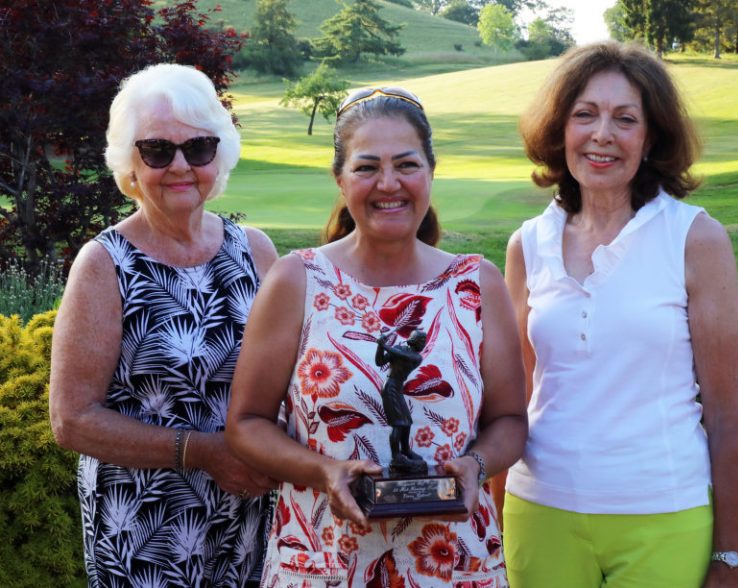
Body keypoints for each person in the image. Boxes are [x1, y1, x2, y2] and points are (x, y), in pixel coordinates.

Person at [225, 87, 528, 586]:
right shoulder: (296, 280)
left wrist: (477, 464)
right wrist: (324, 472)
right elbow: (246, 424)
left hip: (453, 566)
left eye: (406, 165)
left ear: (431, 171)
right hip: (324, 563)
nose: (389, 184)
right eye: (367, 167)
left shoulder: (477, 283)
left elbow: (510, 420)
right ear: (340, 179)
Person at [499, 41, 738, 587]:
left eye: (625, 119)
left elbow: (729, 416)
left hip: (664, 516)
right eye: (584, 114)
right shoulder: (526, 245)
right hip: (539, 513)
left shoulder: (695, 239)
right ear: (559, 129)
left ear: (651, 137)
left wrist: (732, 558)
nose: (602, 134)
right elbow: (512, 406)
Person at [49, 63, 278, 586]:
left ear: (219, 155)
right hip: (145, 531)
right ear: (129, 163)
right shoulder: (105, 264)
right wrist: (201, 453)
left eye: (198, 148)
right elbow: (71, 419)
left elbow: (295, 380)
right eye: (157, 150)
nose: (180, 166)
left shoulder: (256, 252)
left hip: (248, 519)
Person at [375, 329, 429, 473]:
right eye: (422, 340)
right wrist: (380, 346)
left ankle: (405, 450)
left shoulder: (416, 357)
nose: (424, 343)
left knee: (406, 421)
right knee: (398, 423)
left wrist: (384, 345)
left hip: (397, 388)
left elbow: (403, 356)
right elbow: (379, 361)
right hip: (390, 387)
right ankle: (396, 457)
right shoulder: (398, 349)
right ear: (414, 340)